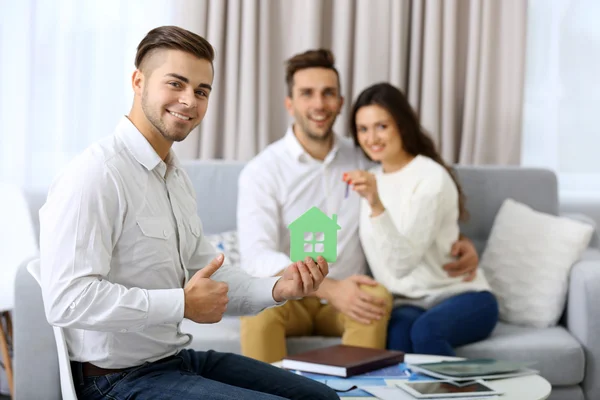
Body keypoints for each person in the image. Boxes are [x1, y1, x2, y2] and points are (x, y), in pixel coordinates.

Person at [38, 26, 339, 400]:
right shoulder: (96, 174)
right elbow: (67, 299)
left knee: (322, 398)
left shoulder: (175, 177)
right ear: (138, 81)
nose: (189, 101)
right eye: (175, 84)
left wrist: (279, 287)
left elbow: (209, 272)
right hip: (114, 381)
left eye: (201, 91)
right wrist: (182, 303)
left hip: (173, 361)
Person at [237, 49, 481, 363]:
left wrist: (457, 239)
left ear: (340, 103)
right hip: (290, 297)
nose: (319, 104)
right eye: (307, 94)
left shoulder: (366, 156)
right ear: (290, 103)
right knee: (256, 306)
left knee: (376, 297)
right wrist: (328, 288)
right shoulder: (263, 171)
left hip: (350, 296)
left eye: (328, 93)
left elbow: (410, 193)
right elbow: (257, 257)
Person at [344, 82, 499, 356]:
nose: (372, 138)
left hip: (462, 296)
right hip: (406, 303)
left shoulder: (430, 178)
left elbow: (401, 264)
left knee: (426, 333)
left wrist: (376, 203)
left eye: (382, 126)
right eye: (363, 129)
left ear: (402, 125)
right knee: (397, 347)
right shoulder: (367, 178)